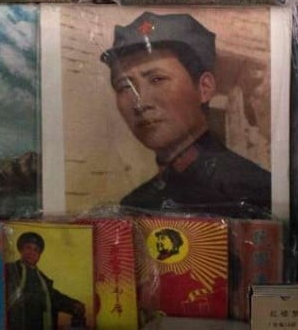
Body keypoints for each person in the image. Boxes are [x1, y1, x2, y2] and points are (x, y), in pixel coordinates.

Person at [100, 11, 271, 216]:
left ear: (204, 88)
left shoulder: (251, 190)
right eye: (125, 86)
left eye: (157, 79)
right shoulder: (136, 203)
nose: (140, 102)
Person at [5, 231, 86, 330]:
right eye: (28, 248)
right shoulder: (9, 271)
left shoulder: (43, 280)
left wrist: (73, 304)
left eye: (36, 250)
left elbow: (55, 297)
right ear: (21, 250)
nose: (32, 252)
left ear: (39, 255)